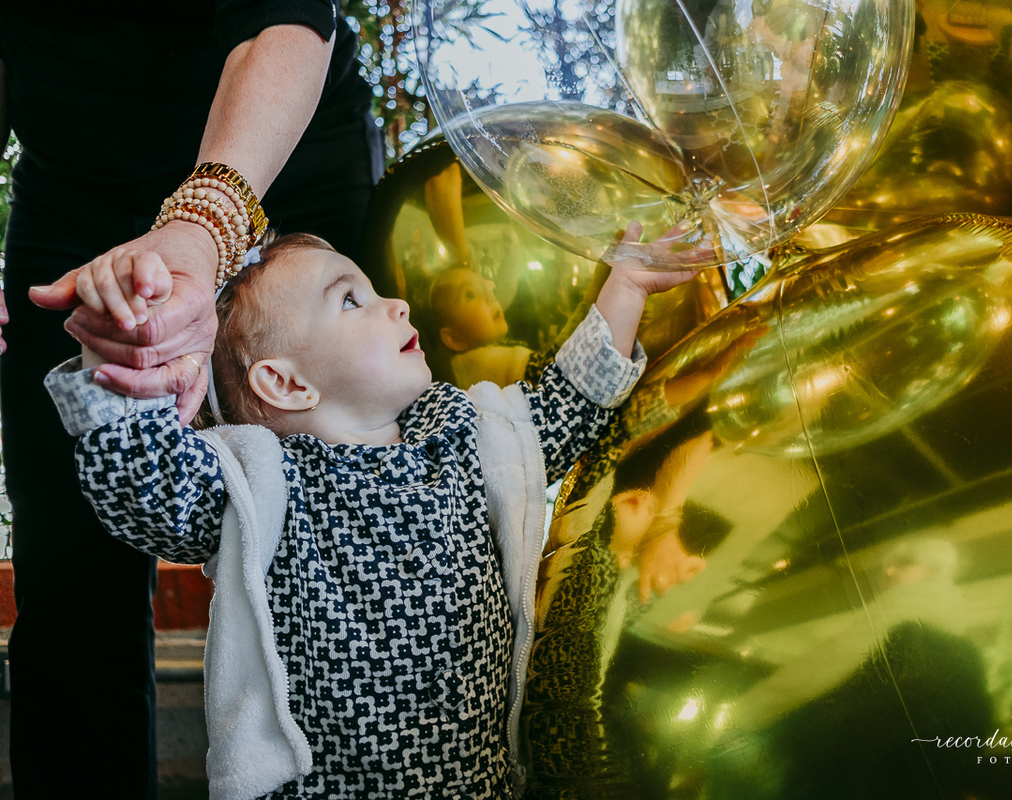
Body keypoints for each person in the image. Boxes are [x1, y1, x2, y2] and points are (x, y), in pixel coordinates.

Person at [44, 221, 705, 797]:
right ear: (286, 382)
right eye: (351, 299)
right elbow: (145, 483)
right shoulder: (262, 484)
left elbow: (569, 403)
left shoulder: (467, 439)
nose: (396, 303)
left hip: (475, 785)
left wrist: (626, 285)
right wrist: (120, 343)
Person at [0, 2, 382, 794]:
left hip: (281, 156)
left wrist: (203, 229)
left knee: (345, 538)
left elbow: (286, 15)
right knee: (69, 569)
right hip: (72, 190)